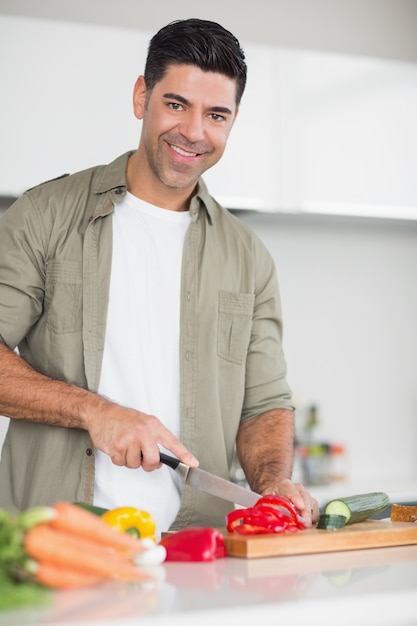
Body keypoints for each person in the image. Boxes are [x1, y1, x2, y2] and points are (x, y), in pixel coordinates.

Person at [0, 18, 319, 535]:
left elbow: (264, 403)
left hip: (201, 550)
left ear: (233, 122)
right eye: (177, 104)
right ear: (141, 97)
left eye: (216, 114)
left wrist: (273, 481)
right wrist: (95, 412)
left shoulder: (247, 256)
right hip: (60, 542)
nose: (194, 132)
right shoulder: (44, 215)